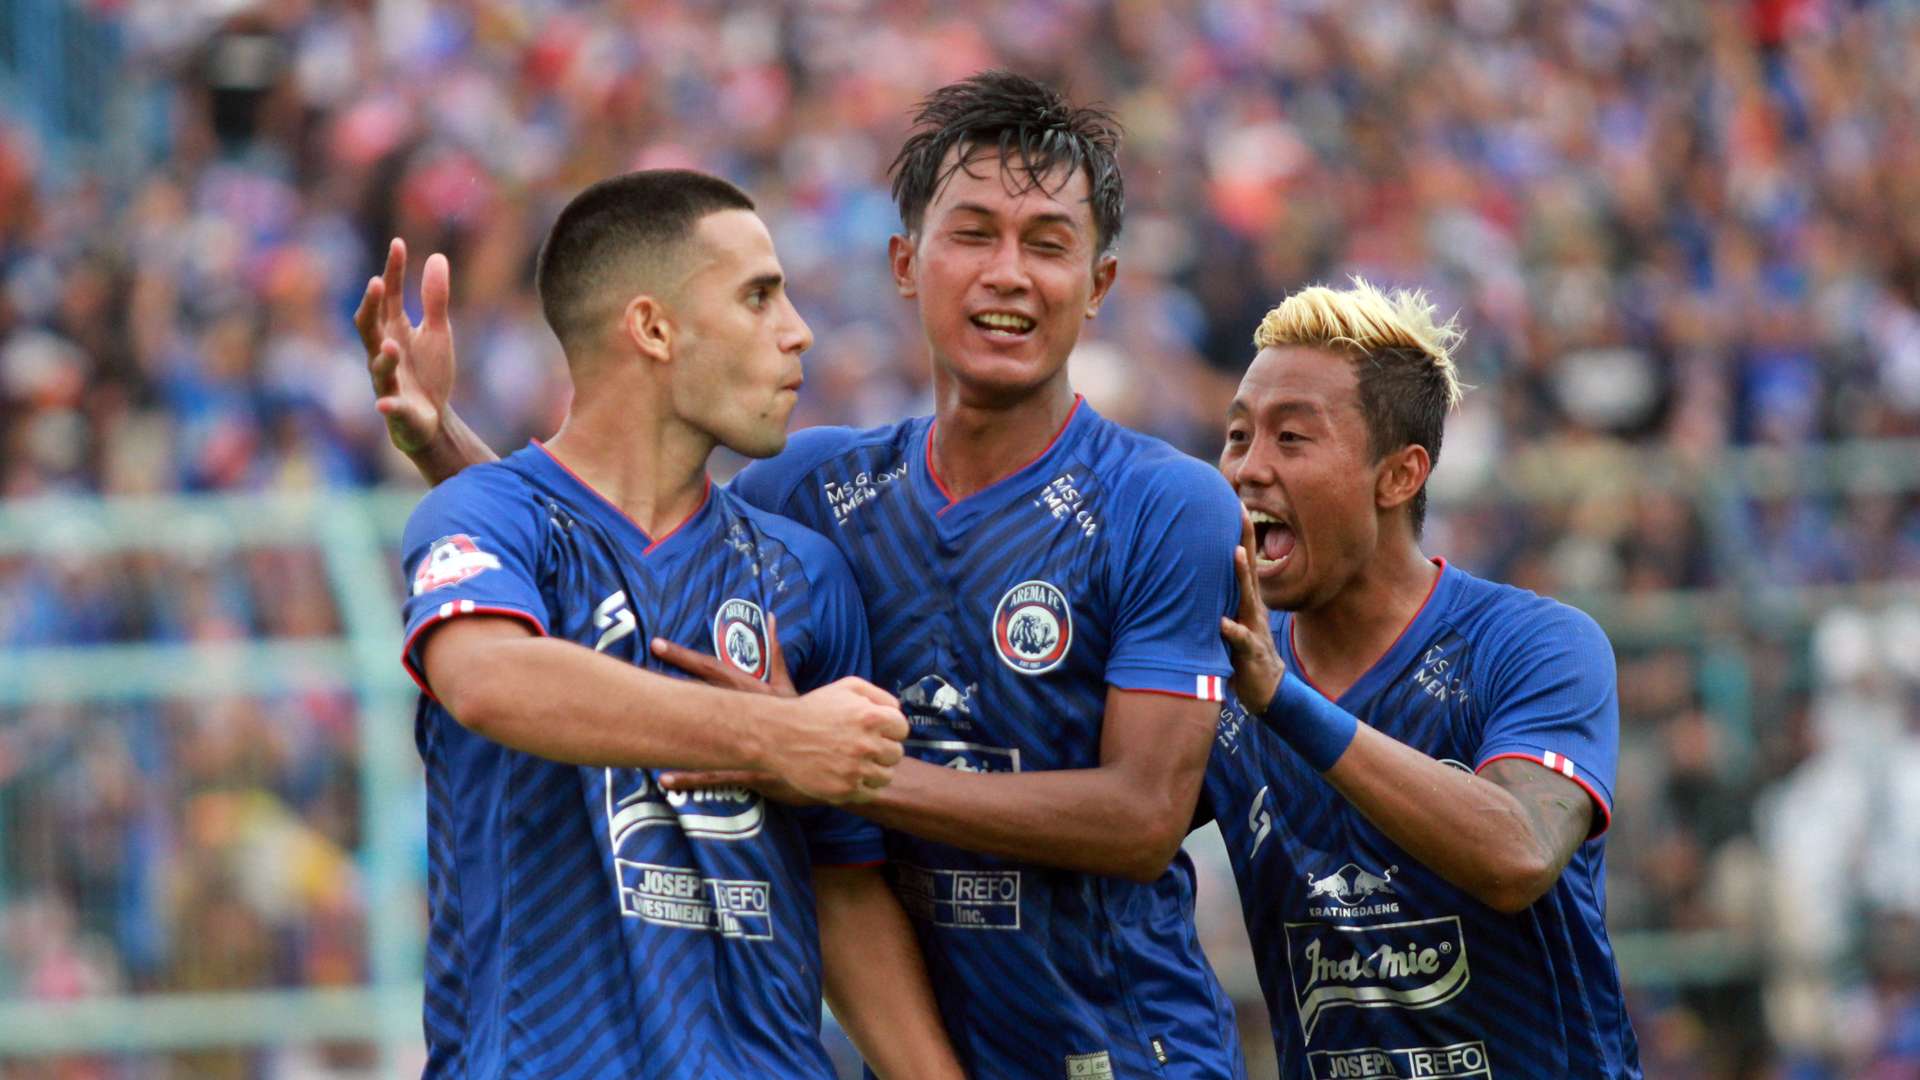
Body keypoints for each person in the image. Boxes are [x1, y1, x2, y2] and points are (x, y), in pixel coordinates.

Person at [372, 73, 1249, 1078]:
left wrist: (830, 760)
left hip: (1134, 1050)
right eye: (974, 235)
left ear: (1099, 283)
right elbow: (584, 569)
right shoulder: (812, 501)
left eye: (1047, 244)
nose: (1008, 273)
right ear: (907, 263)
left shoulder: (1159, 504)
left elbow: (1140, 819)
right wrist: (449, 454)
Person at [370, 169, 960, 1078]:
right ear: (652, 328)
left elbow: (844, 893)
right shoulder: (487, 517)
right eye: (758, 297)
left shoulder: (805, 574)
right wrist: (776, 733)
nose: (797, 330)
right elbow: (489, 680)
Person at [1204, 279, 1643, 1076]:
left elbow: (1518, 853)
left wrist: (1284, 701)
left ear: (1399, 476)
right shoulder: (1227, 667)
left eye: (1291, 439)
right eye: (1238, 436)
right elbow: (1120, 827)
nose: (1248, 467)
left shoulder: (1534, 645)